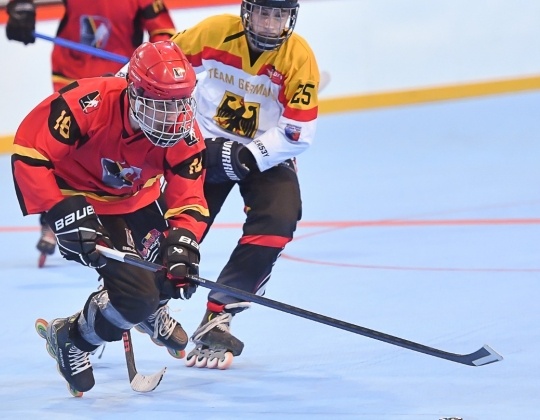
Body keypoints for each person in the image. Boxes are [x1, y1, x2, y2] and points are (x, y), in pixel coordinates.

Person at [11, 41, 207, 395]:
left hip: (138, 197)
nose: (173, 116)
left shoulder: (184, 129)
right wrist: (56, 209)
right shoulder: (89, 103)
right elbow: (29, 150)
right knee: (135, 295)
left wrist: (184, 236)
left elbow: (189, 196)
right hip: (82, 201)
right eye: (161, 104)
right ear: (134, 92)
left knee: (175, 268)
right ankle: (72, 338)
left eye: (180, 103)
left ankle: (148, 310)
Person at [170, 0, 320, 369]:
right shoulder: (214, 32)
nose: (270, 24)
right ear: (247, 11)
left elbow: (298, 132)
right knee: (175, 227)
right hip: (205, 140)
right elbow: (166, 67)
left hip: (267, 152)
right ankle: (136, 297)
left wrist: (250, 155)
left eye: (280, 15)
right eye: (263, 13)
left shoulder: (299, 58)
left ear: (291, 17)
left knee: (277, 222)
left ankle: (219, 313)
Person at [5, 0, 176, 267]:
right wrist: (22, 8)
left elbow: (163, 32)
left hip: (123, 84)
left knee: (110, 153)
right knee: (62, 149)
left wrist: (148, 69)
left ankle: (114, 217)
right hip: (72, 71)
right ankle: (54, 217)